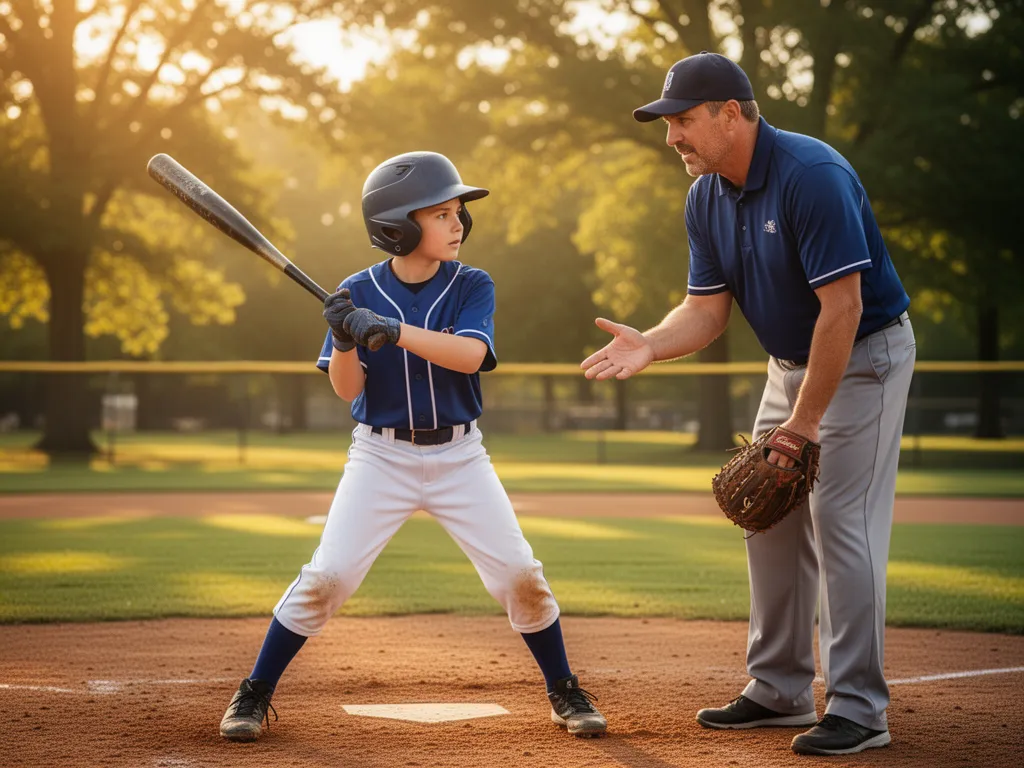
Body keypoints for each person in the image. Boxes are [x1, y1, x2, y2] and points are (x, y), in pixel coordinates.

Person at [582, 52, 915, 756]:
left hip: (863, 357)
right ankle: (780, 688)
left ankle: (859, 707)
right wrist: (651, 345)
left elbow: (844, 309)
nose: (671, 136)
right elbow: (704, 314)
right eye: (667, 123)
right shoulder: (705, 194)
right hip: (789, 360)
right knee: (765, 510)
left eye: (682, 120)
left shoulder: (810, 177)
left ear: (731, 113)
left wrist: (804, 423)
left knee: (840, 520)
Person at [218, 151, 606, 742]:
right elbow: (348, 390)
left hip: (460, 456)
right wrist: (345, 337)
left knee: (519, 575)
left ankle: (564, 689)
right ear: (397, 228)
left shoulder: (472, 284)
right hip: (381, 456)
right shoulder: (355, 291)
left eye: (458, 214)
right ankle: (254, 693)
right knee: (329, 576)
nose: (458, 225)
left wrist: (393, 330)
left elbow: (472, 355)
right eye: (443, 214)